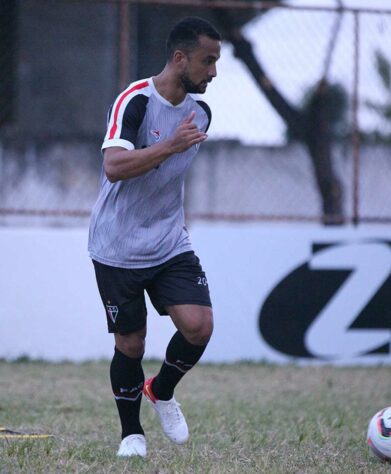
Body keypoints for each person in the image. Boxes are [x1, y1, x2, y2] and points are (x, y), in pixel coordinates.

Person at [88, 17, 221, 458]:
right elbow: (114, 167)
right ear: (180, 58)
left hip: (168, 242)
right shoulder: (134, 102)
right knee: (131, 342)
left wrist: (174, 146)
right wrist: (169, 146)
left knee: (199, 327)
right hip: (117, 246)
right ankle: (132, 435)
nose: (214, 72)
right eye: (208, 61)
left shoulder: (200, 113)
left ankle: (160, 391)